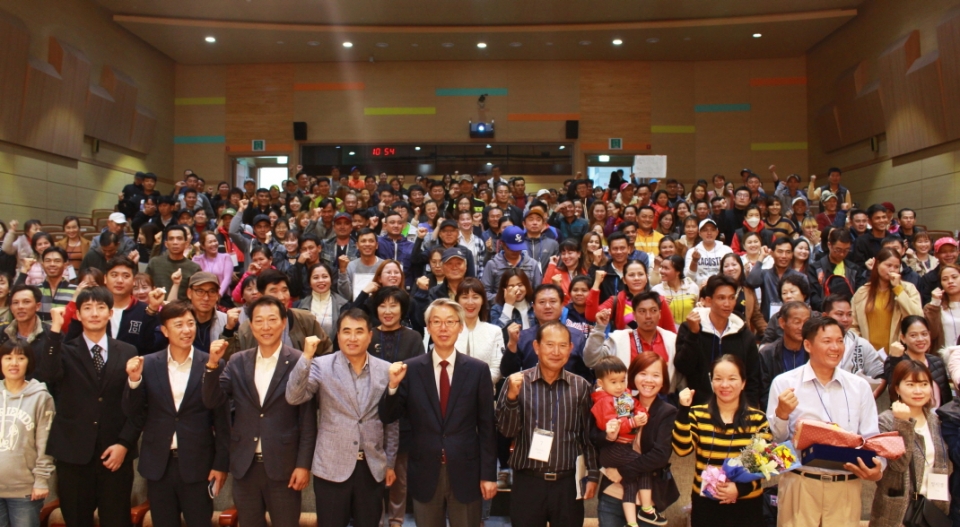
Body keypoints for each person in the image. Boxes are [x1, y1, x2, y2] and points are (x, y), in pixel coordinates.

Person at [379, 298, 498, 527]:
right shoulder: (410, 369)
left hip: (466, 471)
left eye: (450, 322)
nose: (444, 328)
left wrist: (489, 474)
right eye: (437, 322)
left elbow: (487, 429)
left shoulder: (478, 370)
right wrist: (392, 386)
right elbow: (388, 416)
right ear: (428, 327)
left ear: (460, 327)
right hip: (425, 471)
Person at [202, 297, 317, 527]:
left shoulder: (299, 361)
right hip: (245, 467)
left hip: (284, 467)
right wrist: (213, 365)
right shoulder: (236, 361)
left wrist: (303, 465)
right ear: (251, 325)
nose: (266, 327)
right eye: (259, 321)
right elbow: (211, 399)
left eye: (272, 320)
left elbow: (308, 421)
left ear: (283, 322)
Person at [285, 309, 399, 527]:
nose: (352, 338)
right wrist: (306, 356)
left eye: (359, 331)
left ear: (370, 335)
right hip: (331, 467)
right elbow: (294, 396)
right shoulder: (321, 365)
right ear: (338, 335)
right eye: (346, 332)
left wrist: (390, 463)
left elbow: (391, 421)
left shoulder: (386, 370)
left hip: (372, 467)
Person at [767, 316, 884, 527]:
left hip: (846, 486)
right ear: (808, 345)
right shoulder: (785, 383)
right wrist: (782, 414)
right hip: (801, 484)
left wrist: (878, 467)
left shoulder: (859, 386)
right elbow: (777, 441)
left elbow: (871, 437)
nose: (835, 347)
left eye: (840, 341)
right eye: (827, 341)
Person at [37, 293, 142, 527]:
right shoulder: (63, 350)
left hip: (114, 456)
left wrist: (124, 444)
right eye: (87, 308)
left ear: (110, 313)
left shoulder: (128, 351)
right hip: (73, 457)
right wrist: (55, 330)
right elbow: (48, 374)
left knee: (117, 521)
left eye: (101, 307)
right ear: (78, 314)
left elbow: (136, 406)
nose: (94, 313)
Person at [121, 301, 230, 527]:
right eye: (178, 324)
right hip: (158, 464)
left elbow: (222, 420)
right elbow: (133, 413)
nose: (186, 330)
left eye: (190, 323)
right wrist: (133, 381)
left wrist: (220, 464)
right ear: (164, 330)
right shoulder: (148, 364)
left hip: (198, 464)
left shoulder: (212, 364)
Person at [496, 321, 599, 527]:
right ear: (536, 347)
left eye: (562, 345)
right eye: (549, 345)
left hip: (568, 484)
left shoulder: (581, 386)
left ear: (570, 349)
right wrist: (512, 399)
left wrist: (593, 474)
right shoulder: (516, 382)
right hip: (528, 482)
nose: (556, 351)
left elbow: (588, 436)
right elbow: (506, 430)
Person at [673, 355, 771, 527]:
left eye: (732, 379)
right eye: (718, 379)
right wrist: (683, 410)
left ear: (743, 383)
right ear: (712, 382)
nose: (725, 385)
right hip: (706, 503)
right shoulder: (697, 414)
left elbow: (763, 466)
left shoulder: (758, 419)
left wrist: (739, 490)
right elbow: (682, 450)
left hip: (747, 504)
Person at [870, 359, 951, 526]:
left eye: (923, 384)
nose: (918, 390)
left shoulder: (937, 421)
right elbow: (898, 465)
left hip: (933, 510)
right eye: (911, 385)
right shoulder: (885, 421)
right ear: (898, 388)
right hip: (897, 512)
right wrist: (903, 424)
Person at [589, 356, 662, 526]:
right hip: (615, 451)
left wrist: (641, 413)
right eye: (613, 382)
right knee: (643, 467)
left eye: (622, 380)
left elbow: (633, 407)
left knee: (630, 482)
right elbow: (610, 425)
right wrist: (632, 423)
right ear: (601, 382)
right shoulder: (603, 401)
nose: (619, 386)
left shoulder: (622, 397)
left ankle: (632, 522)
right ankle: (647, 509)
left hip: (623, 449)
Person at [674, 275, 760, 406]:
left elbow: (753, 378)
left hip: (736, 410)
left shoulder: (743, 333)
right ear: (708, 301)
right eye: (721, 298)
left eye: (732, 297)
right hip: (699, 408)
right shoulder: (690, 327)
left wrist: (749, 409)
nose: (727, 303)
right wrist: (693, 334)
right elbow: (683, 367)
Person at [0, 338, 55, 527]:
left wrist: (41, 480)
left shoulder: (41, 397)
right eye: (8, 358)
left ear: (29, 362)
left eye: (20, 358)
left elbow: (45, 442)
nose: (13, 363)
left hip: (25, 491)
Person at [584, 290, 683, 395]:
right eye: (642, 311)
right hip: (626, 405)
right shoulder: (619, 340)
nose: (648, 316)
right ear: (634, 315)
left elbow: (681, 380)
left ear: (660, 314)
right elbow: (591, 361)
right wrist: (599, 328)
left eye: (653, 310)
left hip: (663, 405)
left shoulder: (672, 341)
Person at [222, 270, 332, 359]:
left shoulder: (306, 319)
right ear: (261, 295)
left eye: (284, 290)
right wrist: (228, 330)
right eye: (273, 291)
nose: (281, 297)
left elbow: (326, 352)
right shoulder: (247, 327)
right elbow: (234, 360)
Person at [850, 247, 923, 353]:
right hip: (868, 354)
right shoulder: (863, 291)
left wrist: (898, 289)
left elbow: (917, 317)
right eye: (888, 265)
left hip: (898, 353)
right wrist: (860, 346)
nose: (892, 270)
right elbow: (853, 324)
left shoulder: (908, 289)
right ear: (878, 264)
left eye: (896, 267)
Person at [821, 295, 886, 395]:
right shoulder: (815, 343)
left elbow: (880, 374)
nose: (845, 319)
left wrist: (870, 397)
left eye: (849, 314)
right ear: (825, 316)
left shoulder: (861, 344)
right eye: (840, 314)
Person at [586, 260, 675, 333]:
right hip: (624, 351)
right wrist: (596, 283)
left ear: (646, 277)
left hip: (654, 352)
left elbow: (671, 332)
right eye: (631, 275)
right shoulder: (616, 301)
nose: (636, 278)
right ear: (624, 280)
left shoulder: (659, 301)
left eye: (640, 274)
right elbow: (592, 316)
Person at [883, 316, 952, 410]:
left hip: (939, 421)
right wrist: (895, 359)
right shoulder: (896, 360)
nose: (920, 339)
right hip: (909, 418)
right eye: (913, 335)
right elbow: (894, 394)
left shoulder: (937, 362)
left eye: (924, 334)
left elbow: (947, 398)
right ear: (903, 338)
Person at [757, 302, 812, 410]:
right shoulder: (767, 354)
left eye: (806, 322)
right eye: (797, 322)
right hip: (777, 412)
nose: (802, 327)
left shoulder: (814, 351)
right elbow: (764, 394)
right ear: (782, 323)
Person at [454, 279, 504, 384]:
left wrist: (475, 386)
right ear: (457, 301)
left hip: (484, 393)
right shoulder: (449, 330)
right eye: (464, 297)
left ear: (482, 301)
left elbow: (497, 369)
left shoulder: (495, 331)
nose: (470, 302)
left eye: (475, 297)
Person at [745, 237, 805, 320]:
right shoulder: (765, 274)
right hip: (767, 323)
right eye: (780, 252)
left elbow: (806, 303)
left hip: (793, 320)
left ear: (792, 255)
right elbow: (751, 282)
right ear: (772, 253)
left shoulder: (801, 277)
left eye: (788, 252)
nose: (784, 256)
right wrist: (761, 257)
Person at [482, 226, 543, 303]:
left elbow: (538, 291)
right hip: (500, 309)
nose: (515, 251)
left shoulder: (532, 264)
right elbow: (484, 293)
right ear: (503, 244)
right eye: (511, 248)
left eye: (518, 248)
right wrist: (504, 297)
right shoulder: (492, 264)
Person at [808, 228, 862, 310]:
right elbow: (814, 297)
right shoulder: (815, 268)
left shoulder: (854, 269)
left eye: (846, 250)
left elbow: (859, 295)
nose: (842, 254)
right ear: (829, 245)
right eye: (838, 250)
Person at [147, 225, 201, 302]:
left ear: (186, 244)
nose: (175, 242)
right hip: (156, 306)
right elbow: (145, 285)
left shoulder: (194, 268)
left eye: (179, 239)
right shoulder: (154, 263)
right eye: (171, 239)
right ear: (166, 244)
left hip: (183, 310)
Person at [296, 262, 348, 341]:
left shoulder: (343, 305)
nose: (321, 280)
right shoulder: (298, 305)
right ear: (309, 282)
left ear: (331, 280)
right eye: (316, 277)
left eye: (325, 277)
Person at [684, 219, 732, 287]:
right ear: (699, 233)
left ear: (717, 232)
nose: (709, 233)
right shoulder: (692, 251)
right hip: (699, 289)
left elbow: (731, 274)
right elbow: (688, 278)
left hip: (721, 287)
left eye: (712, 230)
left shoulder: (727, 250)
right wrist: (694, 261)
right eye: (705, 230)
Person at [338, 228, 382, 301]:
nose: (367, 244)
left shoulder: (384, 266)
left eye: (371, 241)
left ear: (376, 245)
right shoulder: (350, 266)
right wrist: (342, 271)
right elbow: (345, 296)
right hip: (356, 309)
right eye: (363, 241)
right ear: (357, 245)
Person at [543, 240, 589, 304]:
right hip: (563, 311)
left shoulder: (586, 273)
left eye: (570, 253)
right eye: (563, 254)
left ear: (579, 254)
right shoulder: (556, 272)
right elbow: (543, 290)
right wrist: (551, 265)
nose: (566, 256)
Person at [192, 231, 233, 298]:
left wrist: (218, 295)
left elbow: (227, 279)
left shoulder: (226, 257)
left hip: (222, 297)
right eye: (210, 242)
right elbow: (196, 276)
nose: (214, 244)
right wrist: (197, 252)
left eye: (215, 241)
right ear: (203, 246)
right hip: (203, 297)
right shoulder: (197, 259)